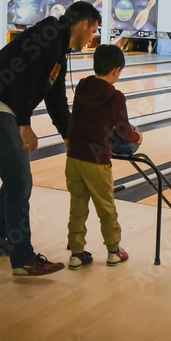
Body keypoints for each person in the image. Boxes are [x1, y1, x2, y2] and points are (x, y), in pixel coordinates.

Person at [0, 0, 101, 276]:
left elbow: (56, 101)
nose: (92, 39)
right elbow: (21, 75)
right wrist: (24, 123)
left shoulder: (58, 52)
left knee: (15, 180)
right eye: (93, 31)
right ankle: (23, 259)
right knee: (20, 182)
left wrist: (69, 136)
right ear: (84, 23)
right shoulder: (48, 34)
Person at [65, 44, 142, 270]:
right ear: (117, 70)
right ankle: (114, 251)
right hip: (97, 161)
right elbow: (122, 129)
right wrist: (136, 137)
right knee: (106, 207)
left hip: (73, 158)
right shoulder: (115, 95)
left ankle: (76, 253)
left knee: (77, 206)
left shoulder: (82, 85)